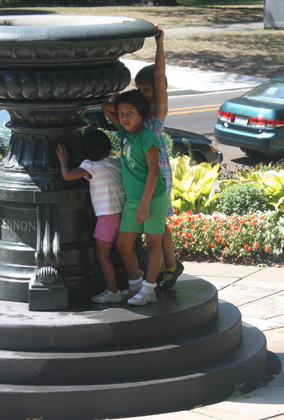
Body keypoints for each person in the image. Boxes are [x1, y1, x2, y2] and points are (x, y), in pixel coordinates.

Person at [101, 24, 183, 291]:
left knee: (157, 226)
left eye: (147, 90)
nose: (143, 94)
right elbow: (109, 107)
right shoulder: (131, 120)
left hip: (156, 173)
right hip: (140, 181)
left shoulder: (156, 115)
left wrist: (160, 44)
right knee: (158, 225)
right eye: (140, 89)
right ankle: (169, 265)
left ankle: (169, 266)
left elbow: (160, 75)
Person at [56, 130, 126, 304]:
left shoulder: (89, 165)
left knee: (103, 255)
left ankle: (113, 291)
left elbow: (67, 176)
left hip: (106, 218)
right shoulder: (115, 163)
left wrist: (64, 160)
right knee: (122, 250)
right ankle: (133, 277)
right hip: (123, 214)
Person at [113, 90, 169, 306]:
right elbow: (104, 108)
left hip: (152, 198)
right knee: (123, 244)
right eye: (121, 113)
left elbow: (154, 172)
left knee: (153, 244)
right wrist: (117, 98)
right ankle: (135, 284)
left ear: (142, 115)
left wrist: (144, 204)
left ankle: (149, 289)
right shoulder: (124, 131)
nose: (124, 117)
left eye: (130, 112)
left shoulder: (147, 137)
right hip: (133, 200)